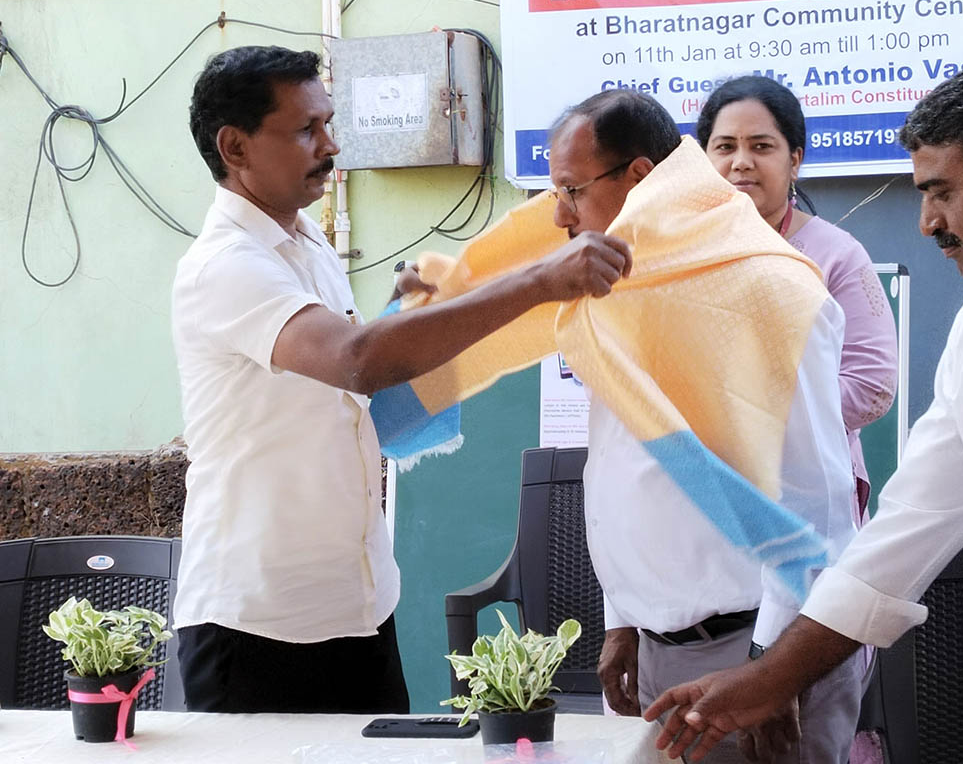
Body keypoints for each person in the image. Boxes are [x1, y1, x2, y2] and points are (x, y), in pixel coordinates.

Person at [169, 45, 632, 715]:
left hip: (359, 604)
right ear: (234, 146)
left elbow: (345, 385)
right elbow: (357, 360)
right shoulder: (225, 266)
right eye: (306, 130)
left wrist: (408, 312)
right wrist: (536, 281)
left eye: (328, 122)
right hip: (259, 624)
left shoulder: (305, 242)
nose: (331, 145)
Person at [644, 53, 963, 763]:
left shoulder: (827, 262)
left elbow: (860, 400)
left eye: (941, 192)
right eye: (722, 148)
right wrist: (769, 677)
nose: (926, 223)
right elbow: (903, 532)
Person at [550, 89, 863, 763]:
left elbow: (815, 499)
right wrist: (625, 620)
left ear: (637, 178)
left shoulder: (764, 289)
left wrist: (773, 668)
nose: (559, 215)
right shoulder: (619, 295)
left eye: (572, 189)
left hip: (756, 652)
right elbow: (620, 471)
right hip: (665, 652)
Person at [697, 76, 898, 527]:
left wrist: (755, 414)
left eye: (761, 146)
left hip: (810, 507)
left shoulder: (836, 256)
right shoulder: (679, 254)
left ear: (795, 160)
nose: (741, 162)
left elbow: (872, 389)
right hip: (705, 507)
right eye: (724, 147)